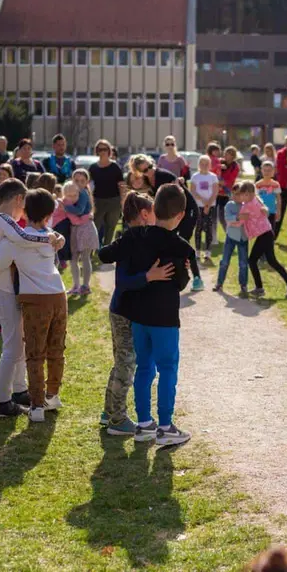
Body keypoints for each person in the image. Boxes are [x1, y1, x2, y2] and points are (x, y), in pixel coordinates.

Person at [97, 183, 196, 446]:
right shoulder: (181, 246)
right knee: (167, 369)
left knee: (143, 369)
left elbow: (104, 254)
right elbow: (180, 283)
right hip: (164, 320)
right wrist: (180, 269)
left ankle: (143, 425)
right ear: (180, 215)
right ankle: (165, 427)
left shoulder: (134, 237)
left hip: (139, 319)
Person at [0, 189, 68, 423]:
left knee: (32, 352)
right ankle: (50, 395)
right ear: (48, 214)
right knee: (54, 349)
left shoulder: (17, 239)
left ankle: (35, 404)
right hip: (58, 295)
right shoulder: (51, 235)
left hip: (34, 298)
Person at [132, 154, 204, 291]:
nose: (149, 171)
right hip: (171, 213)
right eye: (145, 170)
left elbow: (178, 194)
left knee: (184, 242)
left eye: (150, 167)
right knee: (168, 239)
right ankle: (171, 270)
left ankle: (196, 278)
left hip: (187, 210)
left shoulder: (164, 175)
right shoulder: (147, 183)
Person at [240, 180, 287, 299]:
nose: (242, 197)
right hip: (266, 233)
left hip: (265, 234)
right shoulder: (256, 200)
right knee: (271, 261)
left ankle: (261, 288)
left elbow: (240, 215)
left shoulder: (249, 204)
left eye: (244, 194)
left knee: (252, 260)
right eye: (241, 194)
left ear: (251, 193)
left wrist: (235, 215)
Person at [61, 172, 100, 296]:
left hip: (85, 228)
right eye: (76, 180)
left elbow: (79, 210)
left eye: (82, 181)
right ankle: (76, 285)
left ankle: (85, 286)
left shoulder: (83, 193)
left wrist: (65, 207)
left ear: (86, 182)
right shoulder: (70, 191)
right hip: (75, 228)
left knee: (85, 258)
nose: (79, 183)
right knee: (74, 259)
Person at [214, 183, 249, 296]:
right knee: (224, 261)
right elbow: (228, 218)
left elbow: (250, 219)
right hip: (231, 236)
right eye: (234, 194)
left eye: (239, 194)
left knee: (243, 263)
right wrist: (238, 218)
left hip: (243, 237)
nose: (236, 196)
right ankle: (219, 283)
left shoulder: (247, 205)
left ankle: (243, 285)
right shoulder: (229, 205)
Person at [89, 139, 125, 245]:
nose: (103, 151)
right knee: (94, 227)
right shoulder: (93, 167)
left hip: (114, 201)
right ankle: (90, 252)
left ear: (109, 150)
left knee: (110, 228)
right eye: (100, 149)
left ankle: (106, 252)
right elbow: (89, 186)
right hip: (97, 201)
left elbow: (121, 185)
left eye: (105, 149)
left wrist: (123, 201)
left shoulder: (115, 166)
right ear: (97, 151)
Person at [190, 155, 219, 261]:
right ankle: (197, 251)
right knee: (198, 228)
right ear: (199, 165)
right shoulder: (195, 177)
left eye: (207, 164)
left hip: (210, 207)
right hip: (198, 206)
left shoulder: (213, 177)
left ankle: (207, 252)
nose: (204, 166)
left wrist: (208, 204)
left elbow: (215, 191)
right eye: (202, 164)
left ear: (210, 165)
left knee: (209, 229)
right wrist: (203, 201)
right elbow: (193, 191)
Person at [217, 146, 240, 234]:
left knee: (223, 215)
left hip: (226, 193)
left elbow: (230, 180)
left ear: (232, 155)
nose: (225, 155)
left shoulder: (235, 166)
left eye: (228, 154)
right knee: (214, 215)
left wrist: (221, 182)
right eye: (225, 153)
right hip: (216, 192)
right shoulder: (220, 162)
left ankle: (230, 232)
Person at [256, 160, 282, 236]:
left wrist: (279, 211)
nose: (267, 172)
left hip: (272, 212)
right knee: (261, 232)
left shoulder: (275, 184)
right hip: (261, 212)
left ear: (273, 171)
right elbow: (255, 198)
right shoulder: (258, 184)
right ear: (261, 171)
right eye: (265, 170)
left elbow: (278, 199)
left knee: (270, 232)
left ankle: (270, 246)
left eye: (269, 170)